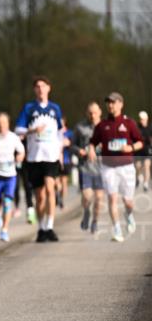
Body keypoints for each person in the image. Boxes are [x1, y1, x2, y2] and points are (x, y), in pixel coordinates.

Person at [88, 92, 145, 242]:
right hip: (108, 167)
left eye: (113, 102)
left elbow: (140, 142)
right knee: (112, 198)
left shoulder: (129, 123)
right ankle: (117, 229)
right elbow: (92, 141)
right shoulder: (102, 125)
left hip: (126, 167)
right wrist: (92, 150)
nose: (110, 105)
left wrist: (130, 148)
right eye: (108, 103)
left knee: (128, 201)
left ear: (121, 104)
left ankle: (129, 214)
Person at [15, 76, 64, 242]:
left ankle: (50, 226)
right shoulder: (29, 108)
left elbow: (59, 132)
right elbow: (18, 130)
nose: (40, 89)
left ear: (49, 88)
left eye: (43, 86)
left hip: (51, 156)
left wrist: (61, 153)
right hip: (35, 157)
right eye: (37, 87)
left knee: (51, 189)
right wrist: (33, 130)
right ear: (34, 90)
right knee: (40, 195)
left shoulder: (55, 108)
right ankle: (42, 227)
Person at [0, 112, 25, 243]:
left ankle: (5, 230)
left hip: (10, 175)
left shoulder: (13, 137)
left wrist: (19, 157)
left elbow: (22, 151)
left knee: (7, 203)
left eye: (4, 123)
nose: (1, 125)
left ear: (8, 124)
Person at [72, 101, 104, 234]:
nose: (92, 115)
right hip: (85, 167)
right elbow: (72, 146)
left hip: (102, 168)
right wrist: (79, 151)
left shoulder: (106, 127)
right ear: (87, 113)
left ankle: (95, 221)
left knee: (99, 198)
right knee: (87, 196)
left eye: (95, 112)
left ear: (100, 112)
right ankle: (86, 213)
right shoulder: (80, 127)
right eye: (90, 113)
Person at [57, 119, 73, 209]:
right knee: (56, 181)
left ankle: (61, 199)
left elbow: (73, 144)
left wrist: (68, 143)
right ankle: (57, 195)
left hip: (66, 160)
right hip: (56, 160)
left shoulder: (69, 133)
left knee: (64, 182)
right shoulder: (55, 132)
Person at [137, 110, 150, 192]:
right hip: (138, 150)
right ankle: (138, 176)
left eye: (143, 119)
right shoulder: (137, 127)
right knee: (137, 166)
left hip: (147, 150)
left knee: (146, 165)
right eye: (141, 119)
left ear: (146, 119)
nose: (142, 121)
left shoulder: (150, 127)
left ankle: (146, 183)